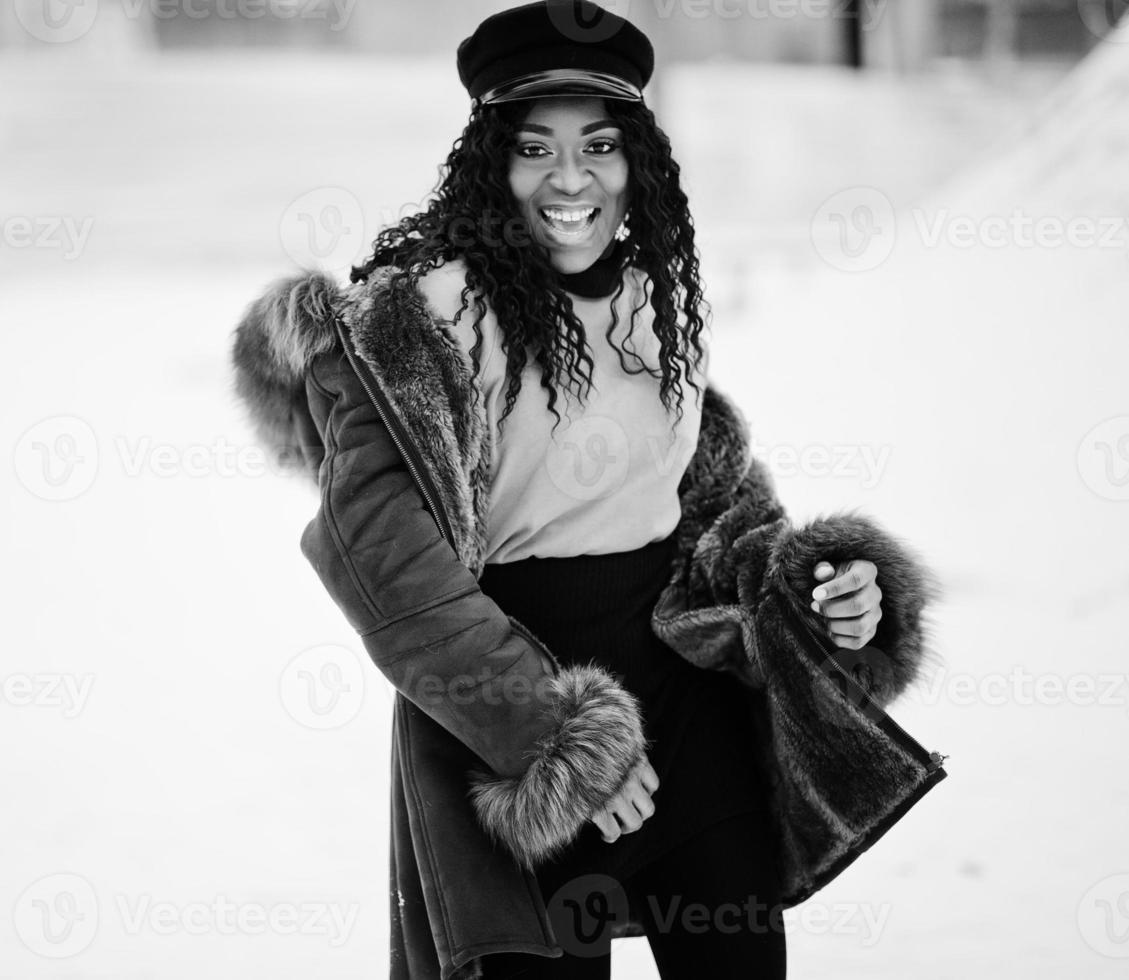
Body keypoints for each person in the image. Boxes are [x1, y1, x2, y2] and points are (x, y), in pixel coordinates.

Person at [229, 3, 948, 978]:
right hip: (516, 731)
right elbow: (389, 572)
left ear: (635, 158)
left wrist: (820, 592)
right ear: (492, 160)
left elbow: (720, 510)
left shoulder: (655, 306)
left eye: (599, 145)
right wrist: (554, 740)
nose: (571, 178)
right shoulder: (415, 326)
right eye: (536, 148)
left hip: (686, 708)